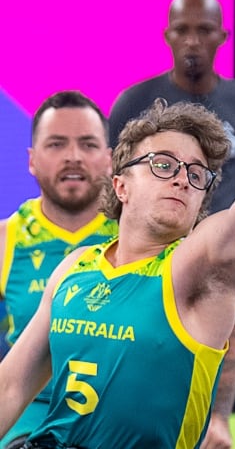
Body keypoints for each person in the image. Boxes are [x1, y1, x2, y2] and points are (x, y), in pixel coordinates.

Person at [0, 98, 235, 448]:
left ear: (201, 202)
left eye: (196, 174)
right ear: (121, 186)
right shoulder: (74, 267)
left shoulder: (196, 269)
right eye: (163, 165)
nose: (182, 178)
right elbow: (11, 386)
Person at [108, 0, 235, 336]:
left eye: (204, 30)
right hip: (142, 267)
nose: (193, 41)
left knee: (224, 379)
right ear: (168, 35)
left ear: (222, 36)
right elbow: (110, 191)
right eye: (182, 30)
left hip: (223, 268)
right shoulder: (132, 103)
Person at [0, 91, 117, 449]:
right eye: (56, 144)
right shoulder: (6, 239)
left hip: (120, 419)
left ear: (111, 159)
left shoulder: (144, 237)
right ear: (32, 160)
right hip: (27, 420)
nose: (73, 157)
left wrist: (219, 416)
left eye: (88, 144)